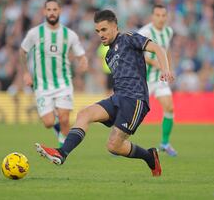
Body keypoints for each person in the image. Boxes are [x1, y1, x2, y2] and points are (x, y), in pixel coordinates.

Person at [35, 9, 174, 177]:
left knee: (113, 146)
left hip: (135, 100)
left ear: (115, 27)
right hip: (117, 98)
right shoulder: (108, 55)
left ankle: (149, 157)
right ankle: (62, 153)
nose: (100, 34)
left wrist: (165, 69)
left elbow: (158, 48)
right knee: (85, 114)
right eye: (98, 31)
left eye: (104, 30)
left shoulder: (128, 38)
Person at [19, 0, 88, 147]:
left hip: (63, 83)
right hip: (42, 85)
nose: (52, 13)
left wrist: (83, 61)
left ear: (60, 11)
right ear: (44, 12)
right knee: (48, 122)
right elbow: (22, 51)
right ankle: (58, 131)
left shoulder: (69, 34)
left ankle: (63, 150)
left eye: (54, 10)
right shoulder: (35, 33)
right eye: (49, 10)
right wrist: (26, 73)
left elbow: (80, 54)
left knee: (64, 118)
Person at [138, 4, 177, 156]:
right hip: (143, 79)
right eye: (158, 15)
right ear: (152, 17)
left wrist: (168, 69)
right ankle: (117, 141)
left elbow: (166, 50)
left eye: (163, 15)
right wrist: (159, 64)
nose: (161, 18)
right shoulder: (145, 32)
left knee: (169, 107)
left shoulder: (168, 31)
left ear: (167, 17)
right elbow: (140, 54)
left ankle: (165, 144)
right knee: (133, 112)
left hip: (160, 78)